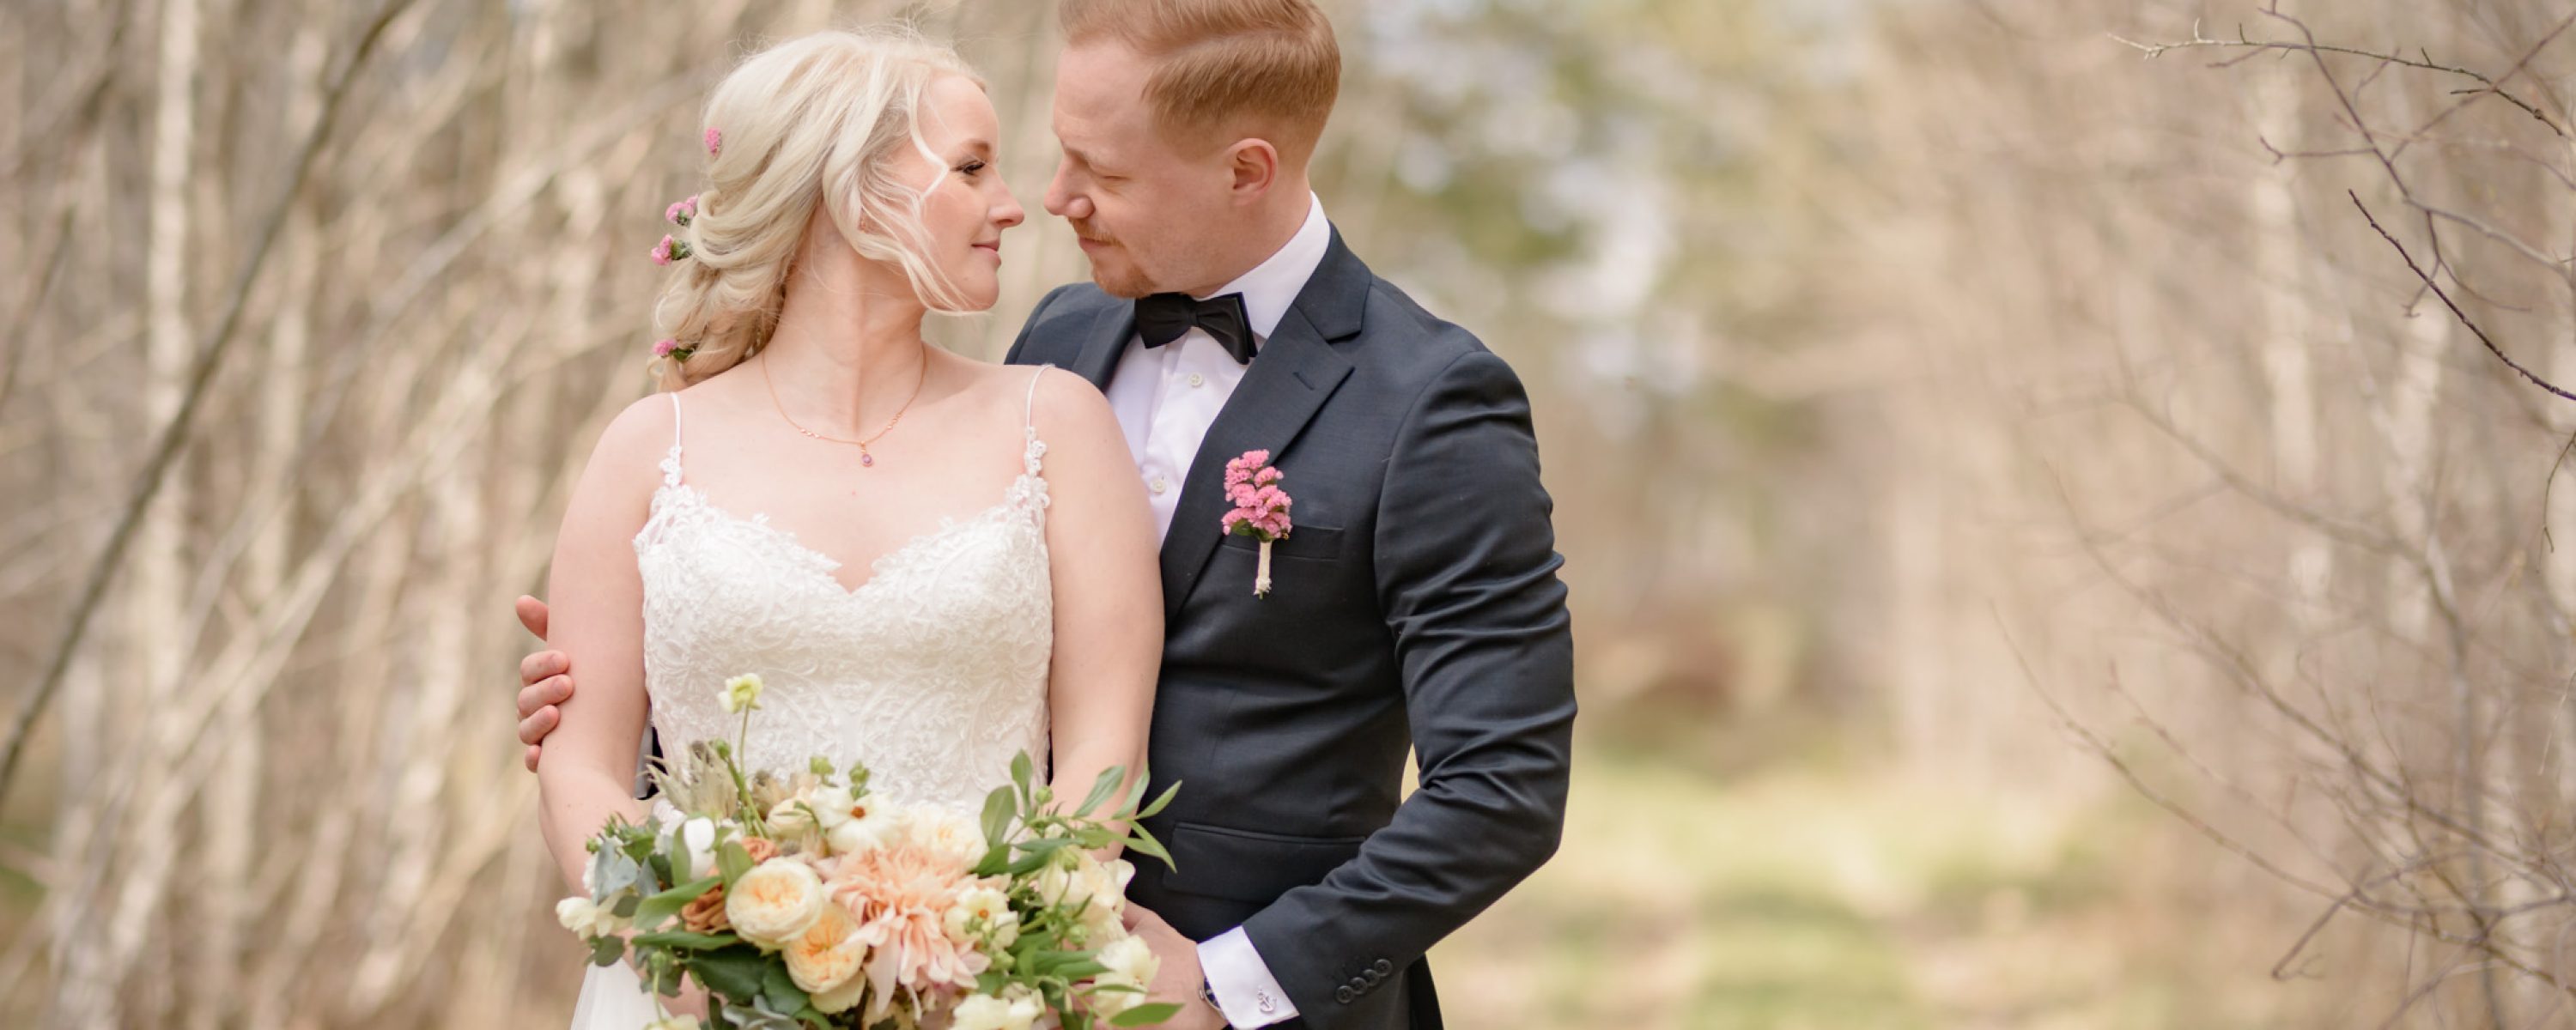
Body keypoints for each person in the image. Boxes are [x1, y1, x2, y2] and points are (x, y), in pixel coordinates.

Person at [520, 4, 1577, 1027]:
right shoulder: (1063, 338)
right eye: (1043, 156)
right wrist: (654, 670)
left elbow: (1501, 791)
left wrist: (1225, 986)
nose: (1052, 197)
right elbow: (901, 643)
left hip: (1238, 1000)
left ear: (1245, 169)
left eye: (1103, 172)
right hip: (903, 978)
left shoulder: (1430, 401)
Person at [529, 27, 1162, 1027]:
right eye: (971, 168)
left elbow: (1103, 754)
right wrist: (676, 938)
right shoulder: (649, 449)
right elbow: (579, 763)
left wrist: (990, 947)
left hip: (983, 996)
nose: (1013, 204)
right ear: (846, 189)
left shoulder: (1059, 424)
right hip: (691, 996)